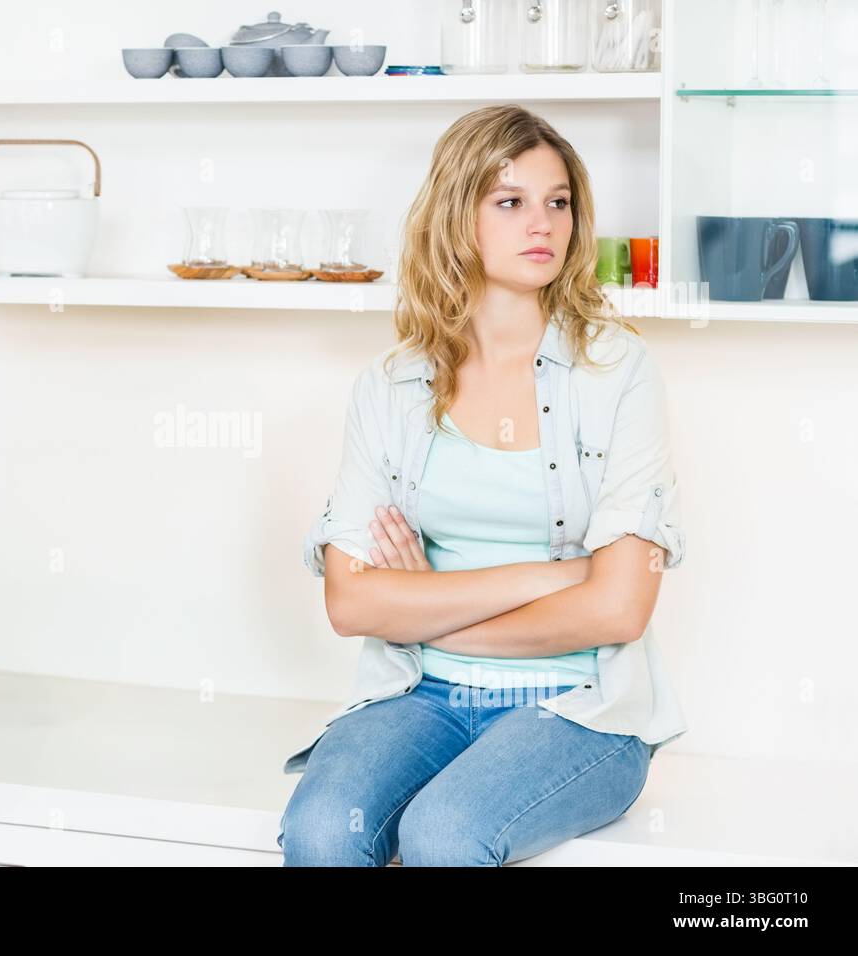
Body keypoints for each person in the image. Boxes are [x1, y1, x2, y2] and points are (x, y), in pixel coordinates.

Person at [278, 104, 687, 867]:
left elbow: (619, 607)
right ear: (455, 217)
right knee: (322, 829)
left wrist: (429, 608)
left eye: (558, 201)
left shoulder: (619, 373)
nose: (544, 223)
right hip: (420, 694)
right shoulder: (392, 383)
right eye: (511, 201)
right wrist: (551, 576)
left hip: (578, 712)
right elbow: (352, 602)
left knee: (443, 832)